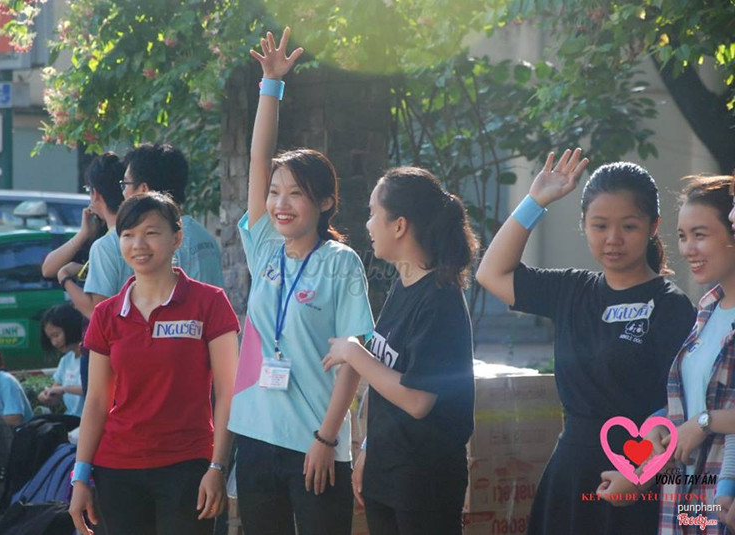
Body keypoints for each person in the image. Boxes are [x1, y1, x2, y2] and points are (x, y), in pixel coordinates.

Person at [476, 154, 696, 535]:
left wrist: (640, 473)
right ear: (584, 225)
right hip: (570, 473)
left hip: (634, 481)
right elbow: (490, 272)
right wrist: (535, 201)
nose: (613, 239)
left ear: (653, 227)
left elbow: (681, 407)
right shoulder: (571, 289)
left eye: (628, 226)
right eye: (600, 225)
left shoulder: (671, 305)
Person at [226, 28, 374, 535]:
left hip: (315, 443)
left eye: (296, 194)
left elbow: (353, 359)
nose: (280, 203)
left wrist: (328, 438)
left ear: (325, 202)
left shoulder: (341, 262)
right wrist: (271, 85)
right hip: (255, 435)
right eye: (275, 193)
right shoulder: (265, 247)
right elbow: (257, 160)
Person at [69, 192, 240, 535]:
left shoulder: (210, 302)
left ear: (176, 238)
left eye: (151, 232)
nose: (138, 245)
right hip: (117, 470)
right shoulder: (106, 314)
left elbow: (229, 392)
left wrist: (218, 466)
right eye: (128, 234)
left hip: (188, 467)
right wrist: (80, 477)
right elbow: (98, 401)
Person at [322, 167, 477, 535]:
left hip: (424, 482)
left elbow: (418, 400)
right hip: (387, 471)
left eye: (373, 213)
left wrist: (354, 352)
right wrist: (369, 448)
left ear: (400, 226)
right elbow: (388, 381)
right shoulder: (403, 284)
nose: (368, 225)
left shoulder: (440, 300)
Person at [598, 175, 735, 535]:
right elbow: (690, 403)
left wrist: (704, 422)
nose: (688, 249)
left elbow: (702, 417)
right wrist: (657, 431)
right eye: (682, 236)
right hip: (688, 503)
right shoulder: (707, 310)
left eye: (700, 235)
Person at [122, 143, 224, 287]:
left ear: (143, 189)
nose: (123, 193)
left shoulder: (155, 244)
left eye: (125, 184)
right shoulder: (205, 237)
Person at [56, 152, 128, 319]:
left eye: (89, 190)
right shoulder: (143, 237)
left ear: (95, 194)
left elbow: (94, 310)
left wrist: (64, 277)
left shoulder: (105, 245)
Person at [37, 303, 85, 418]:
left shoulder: (92, 358)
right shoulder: (66, 360)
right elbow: (56, 393)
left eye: (56, 335)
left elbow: (92, 389)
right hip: (71, 417)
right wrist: (47, 396)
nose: (54, 343)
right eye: (50, 338)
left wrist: (64, 389)